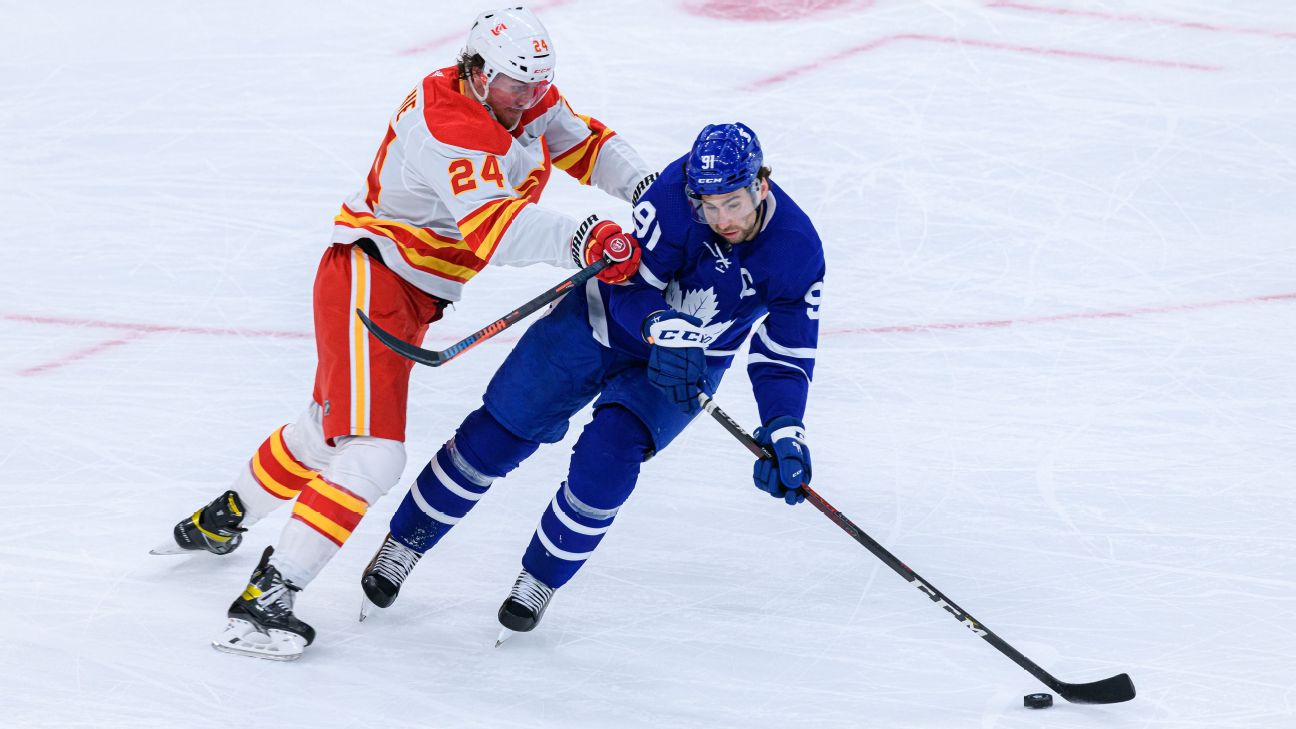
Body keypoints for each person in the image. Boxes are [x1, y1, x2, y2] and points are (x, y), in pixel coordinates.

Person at [152, 7, 657, 661]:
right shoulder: (447, 122)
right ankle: (263, 603)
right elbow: (494, 228)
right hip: (371, 279)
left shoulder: (521, 95)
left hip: (410, 293)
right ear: (476, 72)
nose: (528, 99)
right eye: (514, 85)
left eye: (537, 85)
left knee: (322, 433)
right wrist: (582, 236)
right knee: (371, 455)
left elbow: (580, 141)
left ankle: (225, 517)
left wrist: (647, 187)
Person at [358, 122, 826, 639]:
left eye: (733, 203)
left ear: (761, 183)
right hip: (597, 322)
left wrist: (785, 426)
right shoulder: (673, 196)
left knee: (609, 459)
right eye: (708, 206)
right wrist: (657, 323)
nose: (721, 219)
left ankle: (539, 579)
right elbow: (625, 286)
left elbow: (785, 351)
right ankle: (404, 543)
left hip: (686, 364)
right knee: (501, 430)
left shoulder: (797, 249)